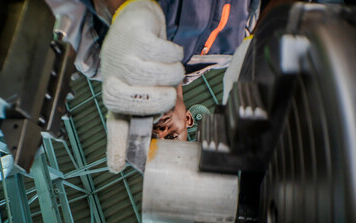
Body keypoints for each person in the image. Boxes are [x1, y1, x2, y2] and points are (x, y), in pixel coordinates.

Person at [45, 0, 260, 173]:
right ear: (187, 119)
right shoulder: (226, 54)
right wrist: (260, 43)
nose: (160, 130)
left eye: (150, 137)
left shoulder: (97, 60)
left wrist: (120, 12)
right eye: (171, 136)